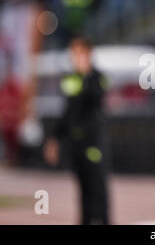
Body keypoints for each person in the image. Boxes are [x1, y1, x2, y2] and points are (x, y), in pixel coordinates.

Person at [44, 37, 110, 225]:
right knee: (82, 189)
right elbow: (68, 111)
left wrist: (85, 75)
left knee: (97, 186)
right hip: (76, 144)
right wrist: (55, 138)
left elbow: (96, 98)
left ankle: (102, 220)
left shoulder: (97, 78)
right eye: (73, 53)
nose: (75, 58)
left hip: (93, 142)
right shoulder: (71, 79)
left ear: (88, 54)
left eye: (79, 53)